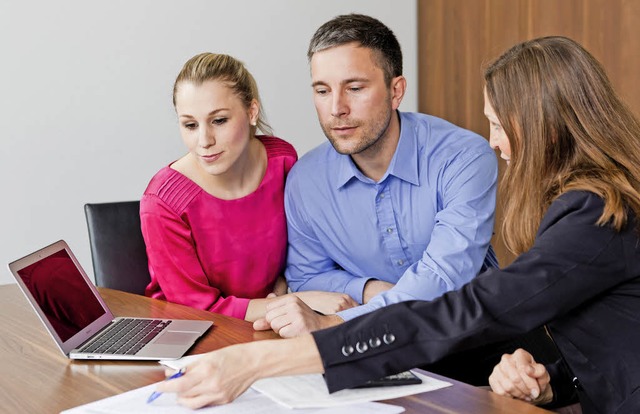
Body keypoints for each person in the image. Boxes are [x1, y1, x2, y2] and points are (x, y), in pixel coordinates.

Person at [156, 36, 640, 414]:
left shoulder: (596, 214)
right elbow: (616, 337)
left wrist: (265, 359)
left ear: (542, 127)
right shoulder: (603, 201)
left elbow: (469, 307)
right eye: (322, 90)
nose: (494, 142)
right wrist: (551, 380)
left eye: (498, 124)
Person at [253, 13, 499, 338]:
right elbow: (308, 278)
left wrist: (336, 323)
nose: (336, 108)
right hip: (372, 351)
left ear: (396, 91)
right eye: (323, 91)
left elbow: (440, 281)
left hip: (475, 345)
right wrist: (367, 289)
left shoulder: (463, 156)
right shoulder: (305, 181)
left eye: (354, 88)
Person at [140, 53, 357, 321]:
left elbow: (302, 249)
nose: (204, 140)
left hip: (272, 321)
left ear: (251, 112)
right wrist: (294, 300)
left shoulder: (283, 161)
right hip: (193, 334)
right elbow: (196, 309)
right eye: (190, 125)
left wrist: (281, 293)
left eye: (219, 120)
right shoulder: (163, 202)